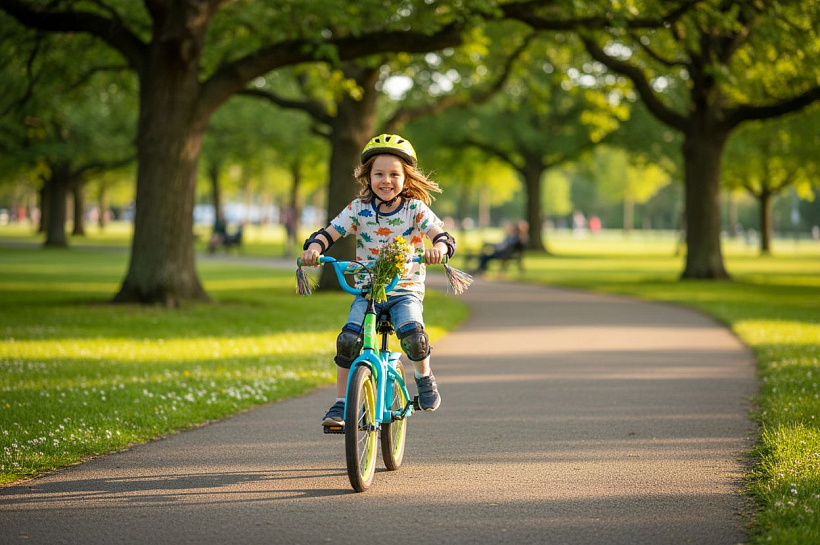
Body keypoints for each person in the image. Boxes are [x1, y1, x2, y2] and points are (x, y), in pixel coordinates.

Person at [301, 134, 456, 426]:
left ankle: (424, 377)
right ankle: (341, 404)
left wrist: (439, 248)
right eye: (379, 174)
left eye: (394, 174)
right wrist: (314, 249)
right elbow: (328, 233)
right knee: (348, 341)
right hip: (368, 292)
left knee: (414, 337)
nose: (386, 180)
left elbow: (441, 236)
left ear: (406, 178)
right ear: (368, 177)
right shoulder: (357, 209)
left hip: (405, 291)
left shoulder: (414, 210)